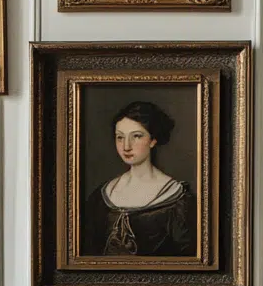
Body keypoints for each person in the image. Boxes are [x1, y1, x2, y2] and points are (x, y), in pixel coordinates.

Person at [83, 101, 196, 257]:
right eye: (120, 137)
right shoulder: (102, 195)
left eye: (136, 136)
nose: (126, 146)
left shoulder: (178, 198)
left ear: (153, 140)